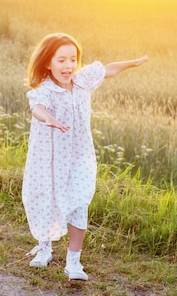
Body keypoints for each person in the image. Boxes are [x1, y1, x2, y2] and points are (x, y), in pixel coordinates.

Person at [22, 32, 148, 281]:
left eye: (72, 59)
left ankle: (73, 262)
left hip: (80, 155)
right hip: (49, 157)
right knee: (48, 197)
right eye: (61, 60)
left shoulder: (82, 81)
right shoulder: (45, 89)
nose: (68, 65)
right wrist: (49, 119)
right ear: (48, 63)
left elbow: (108, 70)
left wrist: (132, 63)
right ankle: (45, 249)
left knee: (80, 202)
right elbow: (37, 108)